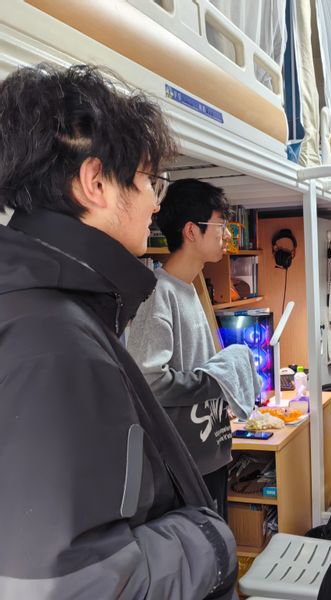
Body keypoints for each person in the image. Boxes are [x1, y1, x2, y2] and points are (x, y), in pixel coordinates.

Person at [0, 63, 237, 598]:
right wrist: (211, 538)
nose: (156, 202)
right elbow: (78, 583)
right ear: (96, 183)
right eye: (150, 181)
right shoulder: (55, 342)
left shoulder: (44, 305)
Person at [127, 178, 259, 520]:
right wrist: (216, 382)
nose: (227, 235)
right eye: (220, 225)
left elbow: (198, 369)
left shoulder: (190, 288)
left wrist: (222, 387)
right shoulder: (158, 293)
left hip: (209, 454)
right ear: (191, 231)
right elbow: (150, 381)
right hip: (184, 467)